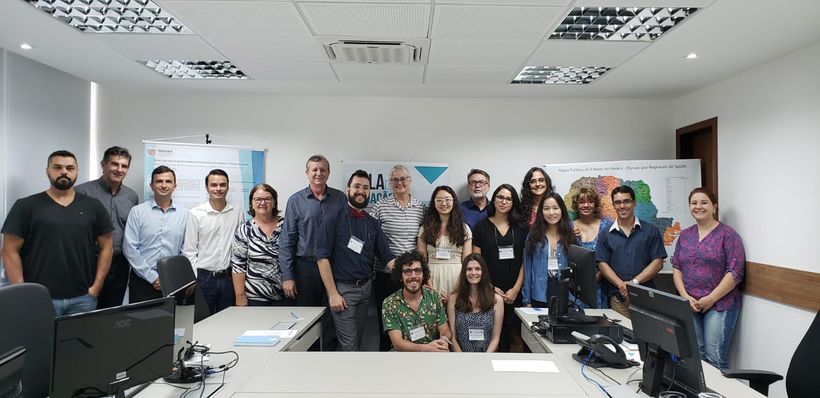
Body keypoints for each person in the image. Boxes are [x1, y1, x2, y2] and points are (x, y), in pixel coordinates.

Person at [1, 150, 113, 316]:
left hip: (83, 298)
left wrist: (96, 286)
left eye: (70, 168)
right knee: (39, 341)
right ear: (47, 171)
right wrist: (22, 290)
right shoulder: (26, 206)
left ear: (77, 171)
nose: (64, 172)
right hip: (39, 298)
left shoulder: (94, 206)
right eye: (57, 167)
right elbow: (9, 250)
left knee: (78, 342)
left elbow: (107, 246)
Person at [316, 170, 395, 351]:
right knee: (350, 346)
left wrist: (410, 272)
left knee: (356, 340)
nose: (361, 191)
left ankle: (348, 375)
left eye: (366, 188)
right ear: (348, 189)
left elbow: (386, 257)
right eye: (357, 186)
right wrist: (333, 294)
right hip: (343, 291)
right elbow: (322, 259)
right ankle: (345, 378)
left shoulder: (373, 223)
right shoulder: (332, 218)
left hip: (366, 289)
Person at [672, 188, 745, 370]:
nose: (698, 207)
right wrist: (684, 296)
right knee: (696, 355)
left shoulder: (727, 235)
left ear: (714, 207)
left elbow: (735, 272)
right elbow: (677, 267)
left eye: (704, 202)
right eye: (694, 203)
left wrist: (710, 299)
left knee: (715, 358)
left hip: (720, 304)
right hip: (689, 303)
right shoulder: (685, 235)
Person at [279, 154, 347, 350]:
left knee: (335, 316)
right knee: (307, 318)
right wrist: (288, 276)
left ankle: (330, 358)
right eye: (314, 170)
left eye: (323, 170)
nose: (319, 173)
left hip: (334, 268)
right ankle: (309, 359)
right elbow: (287, 241)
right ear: (307, 173)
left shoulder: (340, 199)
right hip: (306, 268)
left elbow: (344, 235)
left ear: (328, 173)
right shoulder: (296, 200)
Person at [369, 165, 425, 351]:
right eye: (395, 180)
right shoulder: (380, 207)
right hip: (387, 275)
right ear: (390, 183)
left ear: (410, 181)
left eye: (403, 179)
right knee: (387, 326)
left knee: (413, 324)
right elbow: (371, 239)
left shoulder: (420, 208)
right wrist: (390, 263)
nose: (399, 182)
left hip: (412, 277)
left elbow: (423, 240)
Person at [74, 146, 138, 308]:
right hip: (89, 263)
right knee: (85, 310)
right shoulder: (82, 193)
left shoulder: (131, 196)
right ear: (103, 165)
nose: (119, 169)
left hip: (119, 265)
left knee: (111, 312)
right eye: (114, 164)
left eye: (124, 166)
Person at [472, 183, 528, 352]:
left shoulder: (522, 228)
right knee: (491, 337)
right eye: (500, 197)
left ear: (513, 203)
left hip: (515, 291)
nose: (504, 202)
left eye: (508, 199)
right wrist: (490, 287)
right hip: (489, 290)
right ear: (494, 200)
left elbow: (527, 261)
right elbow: (477, 262)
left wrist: (516, 289)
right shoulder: (481, 227)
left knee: (515, 335)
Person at [595, 185, 666, 318]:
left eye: (626, 201)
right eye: (618, 202)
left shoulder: (651, 231)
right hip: (619, 298)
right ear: (614, 205)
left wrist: (633, 283)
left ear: (634, 203)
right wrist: (621, 285)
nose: (622, 206)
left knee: (649, 337)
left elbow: (658, 262)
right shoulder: (605, 234)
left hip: (646, 297)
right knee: (623, 336)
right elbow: (602, 263)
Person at [123, 165, 188, 303]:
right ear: (151, 185)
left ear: (175, 186)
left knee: (171, 322)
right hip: (142, 281)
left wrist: (171, 275)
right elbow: (129, 248)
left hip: (173, 281)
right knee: (141, 322)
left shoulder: (185, 214)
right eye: (159, 181)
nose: (164, 185)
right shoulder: (137, 212)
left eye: (168, 181)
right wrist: (152, 277)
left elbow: (186, 249)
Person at [183, 169, 244, 314]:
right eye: (214, 185)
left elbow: (241, 246)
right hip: (204, 278)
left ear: (228, 187)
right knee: (202, 322)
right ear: (207, 187)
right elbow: (190, 250)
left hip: (229, 278)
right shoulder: (196, 213)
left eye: (222, 185)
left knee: (227, 322)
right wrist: (194, 279)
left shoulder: (237, 211)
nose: (218, 189)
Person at [231, 183, 293, 306]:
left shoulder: (287, 225)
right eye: (258, 199)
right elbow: (238, 265)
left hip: (286, 294)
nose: (262, 202)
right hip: (255, 298)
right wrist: (240, 296)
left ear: (274, 202)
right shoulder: (244, 229)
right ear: (251, 203)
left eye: (267, 199)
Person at [382, 250, 452, 352]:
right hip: (403, 358)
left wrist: (443, 340)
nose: (413, 276)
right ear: (400, 277)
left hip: (432, 355)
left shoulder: (434, 297)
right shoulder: (390, 303)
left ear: (423, 275)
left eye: (417, 270)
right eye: (408, 272)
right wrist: (426, 348)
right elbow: (398, 344)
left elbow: (445, 330)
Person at [522, 193, 580, 308]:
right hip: (539, 291)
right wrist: (527, 299)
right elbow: (528, 267)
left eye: (555, 208)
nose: (551, 213)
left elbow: (579, 265)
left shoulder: (571, 234)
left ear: (562, 210)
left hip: (565, 291)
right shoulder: (534, 235)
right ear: (541, 211)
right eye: (546, 209)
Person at [417, 186, 472, 299]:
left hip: (457, 278)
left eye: (447, 199)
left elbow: (467, 261)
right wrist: (430, 286)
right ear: (434, 203)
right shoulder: (425, 228)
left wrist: (457, 288)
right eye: (439, 200)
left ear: (454, 201)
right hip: (431, 278)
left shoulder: (464, 229)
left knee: (454, 314)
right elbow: (421, 260)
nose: (444, 203)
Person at [447, 253, 503, 352]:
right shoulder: (453, 299)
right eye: (469, 269)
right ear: (464, 272)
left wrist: (484, 360)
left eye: (477, 269)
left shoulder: (497, 300)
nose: (473, 272)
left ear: (483, 271)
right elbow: (453, 338)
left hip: (487, 357)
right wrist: (462, 360)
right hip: (461, 358)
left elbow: (495, 339)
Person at [571, 187, 613, 309]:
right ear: (576, 205)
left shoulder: (606, 226)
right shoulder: (569, 226)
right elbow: (564, 255)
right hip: (576, 287)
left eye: (590, 201)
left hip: (601, 284)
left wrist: (599, 276)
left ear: (595, 205)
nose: (586, 205)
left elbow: (613, 255)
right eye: (582, 202)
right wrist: (570, 238)